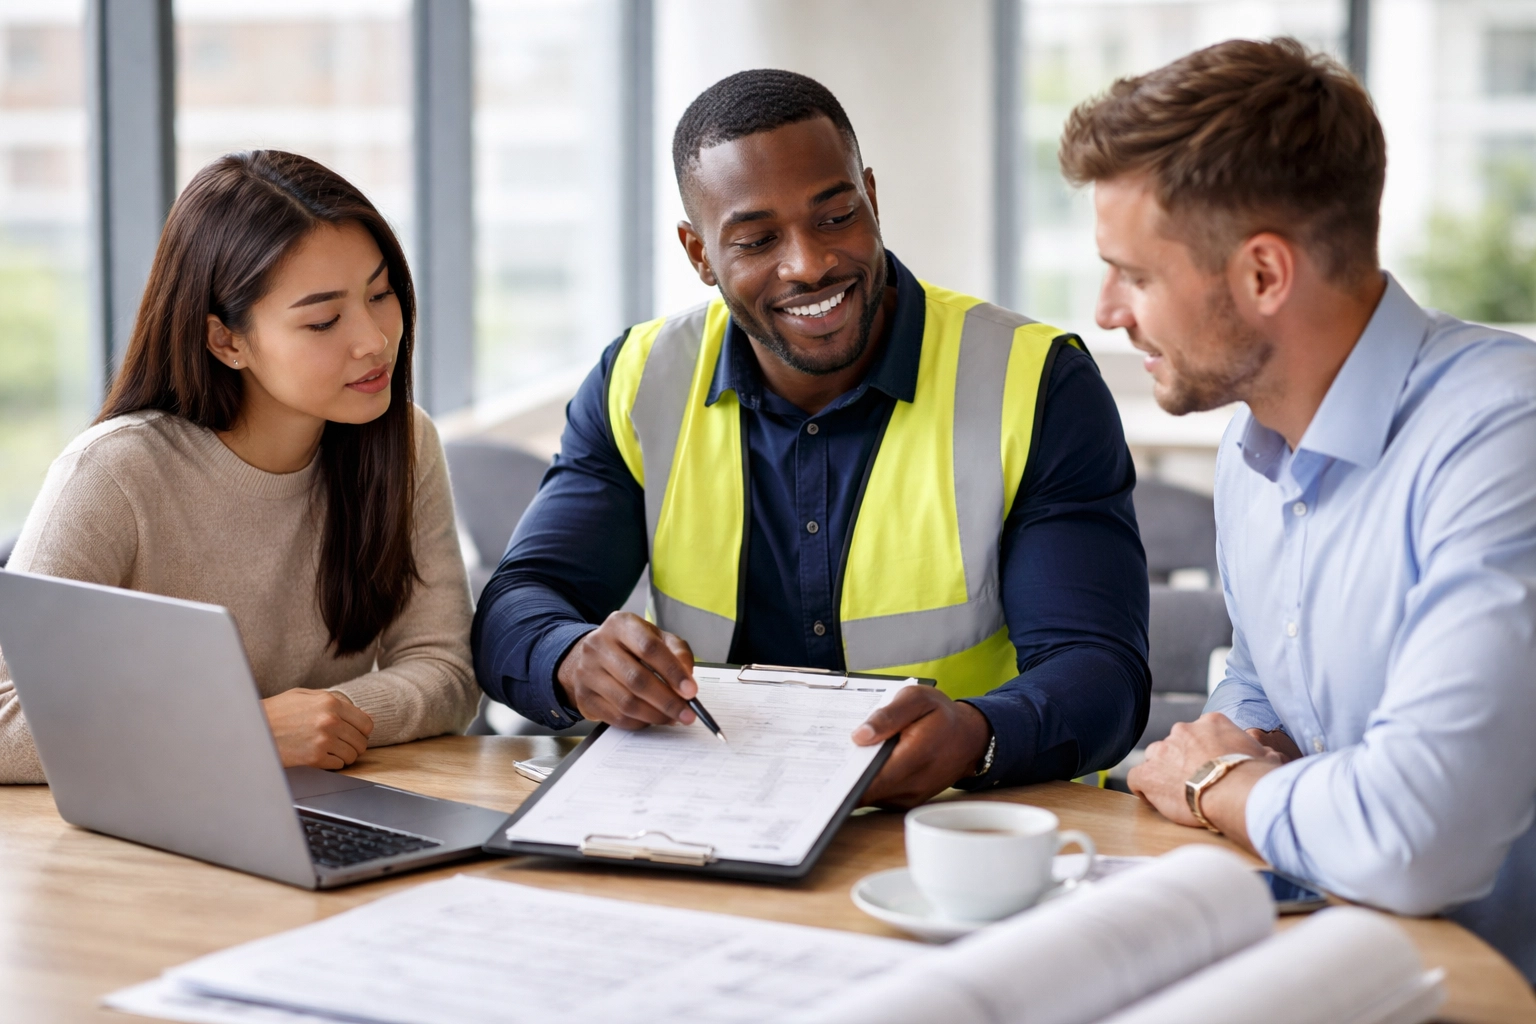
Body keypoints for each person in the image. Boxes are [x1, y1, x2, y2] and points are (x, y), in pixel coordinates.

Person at [473, 70, 1150, 807]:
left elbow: (1099, 671)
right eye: (758, 239)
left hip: (962, 830)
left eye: (835, 217)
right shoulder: (640, 380)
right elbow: (518, 603)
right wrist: (569, 657)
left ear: (872, 197)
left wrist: (977, 735)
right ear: (699, 254)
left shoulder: (1036, 380)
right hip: (711, 819)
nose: (810, 263)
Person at [1059, 39, 1536, 980]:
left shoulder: (1504, 438)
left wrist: (1214, 783)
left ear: (1264, 275)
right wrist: (1233, 763)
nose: (1107, 309)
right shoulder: (1253, 451)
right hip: (1344, 959)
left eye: (1136, 275)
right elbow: (1265, 711)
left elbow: (1414, 836)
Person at [0, 151, 480, 784]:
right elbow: (7, 720)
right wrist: (241, 731)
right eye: (324, 320)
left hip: (320, 802)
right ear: (226, 341)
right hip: (149, 831)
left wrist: (324, 721)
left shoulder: (403, 444)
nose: (373, 339)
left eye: (380, 293)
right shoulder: (115, 473)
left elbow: (445, 669)